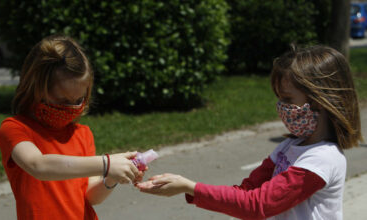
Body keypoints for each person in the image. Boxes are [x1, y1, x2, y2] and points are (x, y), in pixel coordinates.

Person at [137, 45, 363, 220]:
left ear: (320, 101)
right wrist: (189, 189)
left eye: (287, 99)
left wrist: (190, 187)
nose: (281, 106)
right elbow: (246, 192)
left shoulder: (322, 159)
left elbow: (259, 205)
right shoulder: (288, 147)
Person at [0, 35, 144, 220]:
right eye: (62, 100)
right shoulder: (15, 129)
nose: (72, 108)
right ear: (37, 88)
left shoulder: (82, 134)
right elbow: (38, 165)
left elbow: (91, 197)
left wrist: (112, 176)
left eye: (79, 100)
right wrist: (106, 164)